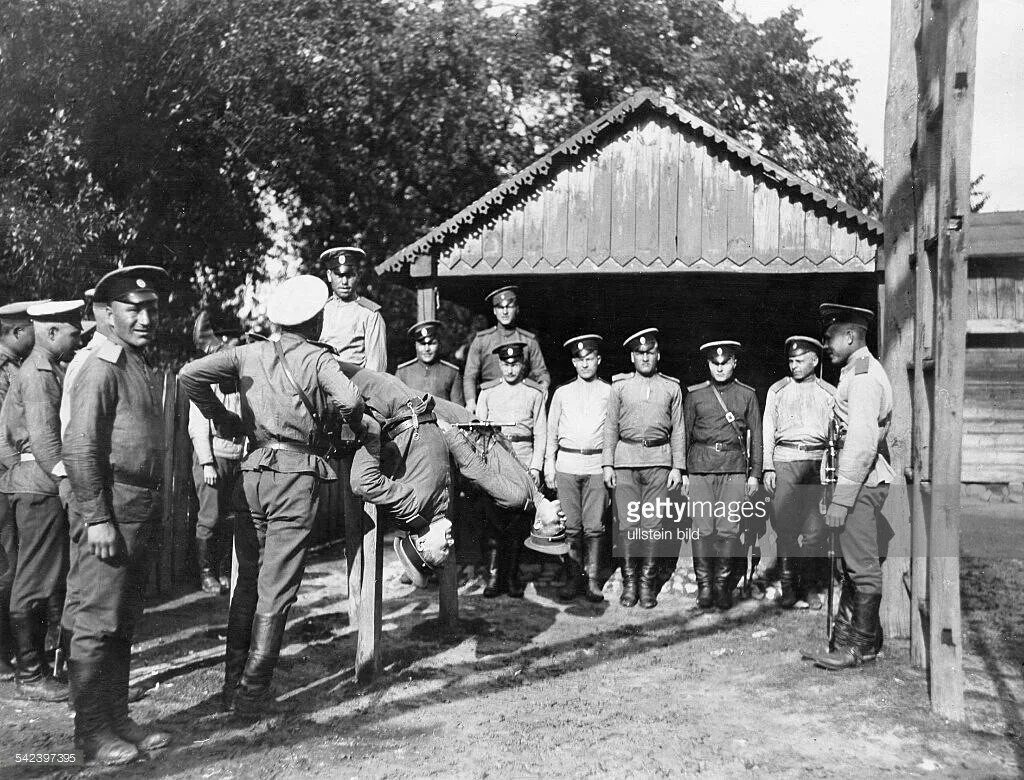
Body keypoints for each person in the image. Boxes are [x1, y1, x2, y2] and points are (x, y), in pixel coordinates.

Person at [179, 275, 372, 720]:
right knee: (278, 586)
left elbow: (190, 374)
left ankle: (232, 687)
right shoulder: (319, 360)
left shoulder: (249, 352)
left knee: (248, 580)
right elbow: (352, 402)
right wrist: (336, 429)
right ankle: (252, 695)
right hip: (294, 477)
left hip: (252, 474)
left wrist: (224, 418)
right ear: (316, 319)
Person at [63, 266, 172, 764]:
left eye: (151, 308)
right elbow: (81, 446)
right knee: (96, 622)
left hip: (138, 506)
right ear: (107, 314)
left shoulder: (136, 362)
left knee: (124, 622)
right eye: (134, 310)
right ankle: (91, 732)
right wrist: (97, 518)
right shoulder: (101, 365)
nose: (146, 317)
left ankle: (117, 717)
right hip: (112, 508)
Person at [804, 304, 893, 671]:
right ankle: (843, 641)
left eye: (830, 337)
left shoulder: (865, 377)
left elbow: (860, 442)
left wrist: (842, 498)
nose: (825, 343)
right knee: (851, 564)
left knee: (862, 567)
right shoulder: (853, 372)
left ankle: (858, 649)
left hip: (859, 484)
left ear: (851, 336)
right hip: (852, 481)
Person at [0, 300, 82, 701]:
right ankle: (30, 676)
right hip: (41, 486)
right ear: (51, 333)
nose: (78, 337)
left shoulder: (40, 369)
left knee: (37, 576)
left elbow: (4, 433)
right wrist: (64, 481)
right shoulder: (39, 373)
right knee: (34, 578)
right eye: (73, 332)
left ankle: (37, 666)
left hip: (28, 481)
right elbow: (48, 439)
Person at [602, 328, 684, 610]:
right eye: (640, 353)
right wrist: (607, 463)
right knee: (627, 525)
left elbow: (678, 430)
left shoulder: (671, 387)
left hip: (659, 462)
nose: (645, 357)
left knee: (652, 525)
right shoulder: (619, 387)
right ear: (632, 357)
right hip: (625, 461)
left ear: (658, 355)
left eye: (650, 352)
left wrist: (678, 467)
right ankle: (630, 584)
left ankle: (647, 586)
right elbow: (610, 426)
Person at [684, 341, 762, 611]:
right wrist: (683, 472)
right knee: (703, 528)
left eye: (725, 362)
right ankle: (705, 588)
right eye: (715, 363)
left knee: (729, 528)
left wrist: (754, 474)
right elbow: (684, 436)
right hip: (701, 468)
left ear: (734, 363)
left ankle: (721, 587)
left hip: (734, 468)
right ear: (708, 364)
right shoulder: (695, 396)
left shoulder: (747, 395)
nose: (719, 367)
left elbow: (757, 439)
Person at [762, 336, 836, 609]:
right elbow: (768, 429)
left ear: (814, 361)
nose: (793, 365)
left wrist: (831, 469)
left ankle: (808, 586)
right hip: (785, 462)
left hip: (817, 463)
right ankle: (788, 588)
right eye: (791, 361)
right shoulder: (778, 390)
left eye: (800, 361)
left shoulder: (829, 392)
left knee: (816, 530)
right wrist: (768, 466)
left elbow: (835, 435)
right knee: (785, 527)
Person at [475, 342, 546, 598]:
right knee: (493, 522)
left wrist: (537, 467)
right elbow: (478, 433)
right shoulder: (488, 392)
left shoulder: (534, 393)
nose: (511, 368)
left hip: (523, 459)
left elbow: (541, 432)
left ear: (523, 364)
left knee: (518, 524)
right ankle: (494, 577)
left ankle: (513, 577)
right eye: (506, 363)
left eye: (515, 363)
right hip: (495, 459)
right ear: (500, 365)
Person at [544, 335, 610, 603]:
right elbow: (550, 430)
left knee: (594, 526)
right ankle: (573, 578)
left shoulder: (609, 392)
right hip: (567, 464)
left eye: (590, 359)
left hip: (596, 464)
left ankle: (592, 581)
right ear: (574, 362)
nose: (585, 364)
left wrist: (609, 465)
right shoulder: (562, 393)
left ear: (598, 360)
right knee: (571, 526)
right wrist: (549, 462)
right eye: (580, 360)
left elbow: (613, 430)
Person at [0, 300, 45, 681]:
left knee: (14, 568)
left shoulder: (17, 367)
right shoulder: (3, 369)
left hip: (11, 480)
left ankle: (14, 654)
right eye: (33, 326)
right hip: (6, 479)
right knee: (9, 567)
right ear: (18, 332)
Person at [188, 312, 247, 595]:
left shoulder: (241, 379)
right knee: (210, 518)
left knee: (230, 518)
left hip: (237, 457)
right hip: (213, 456)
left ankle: (224, 569)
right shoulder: (207, 374)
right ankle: (206, 573)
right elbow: (198, 423)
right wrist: (207, 462)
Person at [462, 286, 549, 414]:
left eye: (509, 307)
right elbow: (470, 375)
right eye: (500, 307)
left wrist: (544, 386)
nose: (505, 312)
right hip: (490, 402)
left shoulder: (529, 341)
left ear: (517, 309)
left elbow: (541, 372)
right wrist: (471, 402)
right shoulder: (482, 340)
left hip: (520, 402)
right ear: (494, 311)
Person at [317, 246, 387, 372]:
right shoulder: (320, 311)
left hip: (355, 385)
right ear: (329, 275)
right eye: (339, 275)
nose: (344, 281)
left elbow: (376, 370)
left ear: (358, 275)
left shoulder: (369, 314)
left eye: (350, 275)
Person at [396, 320, 465, 405]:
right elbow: (397, 408)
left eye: (432, 343)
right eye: (422, 344)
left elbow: (459, 410)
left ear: (439, 344)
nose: (427, 349)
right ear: (415, 346)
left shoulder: (452, 373)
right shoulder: (403, 373)